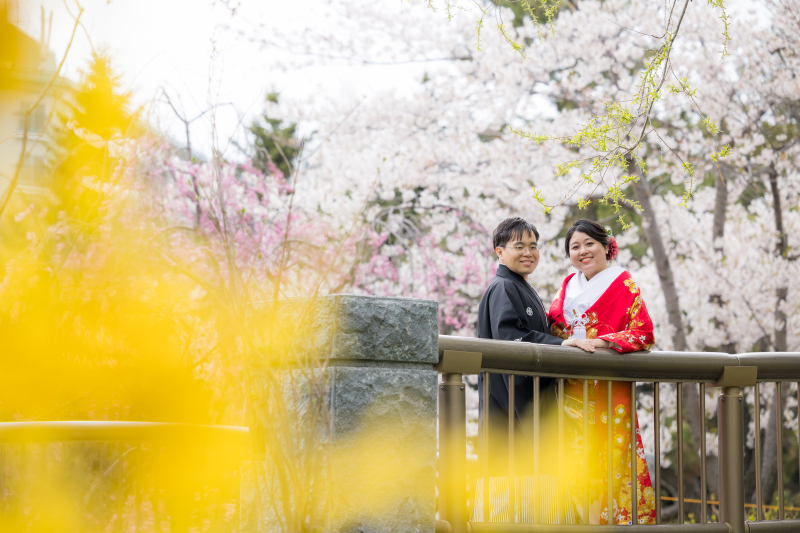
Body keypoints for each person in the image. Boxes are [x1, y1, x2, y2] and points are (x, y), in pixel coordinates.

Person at [475, 217, 594, 523]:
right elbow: (512, 339)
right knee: (517, 502)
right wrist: (560, 345)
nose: (528, 252)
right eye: (519, 246)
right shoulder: (503, 287)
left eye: (533, 246)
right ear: (499, 252)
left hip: (525, 406)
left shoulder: (518, 286)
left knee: (530, 498)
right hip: (511, 408)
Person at [547, 219, 656, 525]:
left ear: (607, 247)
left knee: (608, 466)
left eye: (589, 243)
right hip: (568, 392)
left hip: (607, 392)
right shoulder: (568, 285)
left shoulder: (623, 284)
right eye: (575, 246)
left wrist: (599, 341)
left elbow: (643, 332)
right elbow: (554, 329)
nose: (583, 251)